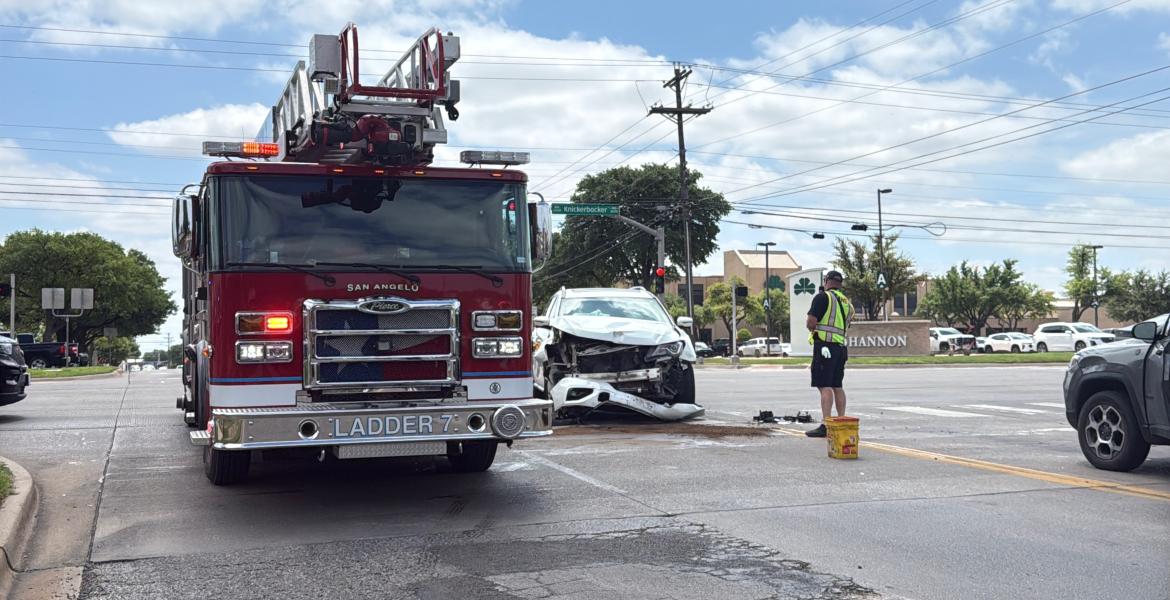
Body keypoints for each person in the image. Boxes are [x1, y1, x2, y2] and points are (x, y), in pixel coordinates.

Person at [805, 270, 854, 437]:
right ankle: (840, 422)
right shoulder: (847, 303)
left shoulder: (822, 297)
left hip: (825, 347)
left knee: (824, 385)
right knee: (837, 385)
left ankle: (826, 425)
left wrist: (813, 329)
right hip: (840, 348)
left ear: (826, 281)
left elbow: (811, 322)